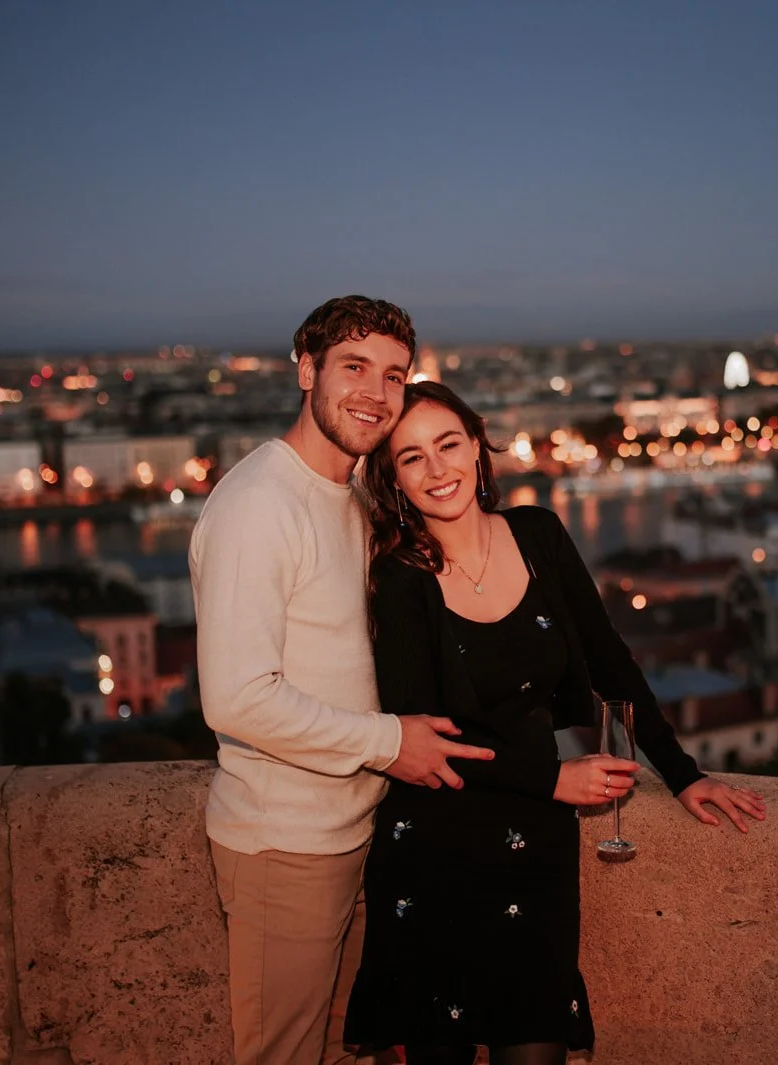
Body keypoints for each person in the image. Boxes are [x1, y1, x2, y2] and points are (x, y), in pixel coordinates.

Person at [344, 382, 768, 1065]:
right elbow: (429, 734)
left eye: (449, 444)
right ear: (394, 480)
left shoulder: (539, 534)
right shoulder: (400, 577)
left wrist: (682, 773)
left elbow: (611, 664)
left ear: (479, 448)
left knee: (535, 1045)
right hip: (436, 848)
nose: (438, 468)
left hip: (532, 847)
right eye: (412, 457)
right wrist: (553, 778)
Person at [189, 297, 496, 1065]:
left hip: (353, 831)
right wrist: (392, 742)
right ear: (306, 370)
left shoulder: (355, 494)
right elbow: (237, 697)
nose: (375, 392)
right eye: (353, 367)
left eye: (394, 375)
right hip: (285, 845)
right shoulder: (260, 504)